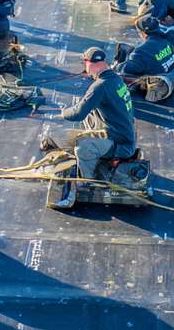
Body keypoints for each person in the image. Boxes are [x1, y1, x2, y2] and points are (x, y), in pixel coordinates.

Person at [53, 46, 136, 209]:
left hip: (121, 145)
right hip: (125, 133)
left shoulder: (100, 86)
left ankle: (88, 183)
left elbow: (77, 113)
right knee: (91, 115)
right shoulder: (115, 79)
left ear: (87, 63)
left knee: (82, 148)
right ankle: (99, 156)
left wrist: (63, 113)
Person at [115, 16, 174, 81]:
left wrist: (117, 66)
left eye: (138, 32)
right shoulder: (166, 41)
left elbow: (125, 69)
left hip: (154, 83)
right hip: (167, 74)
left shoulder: (141, 52)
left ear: (143, 32)